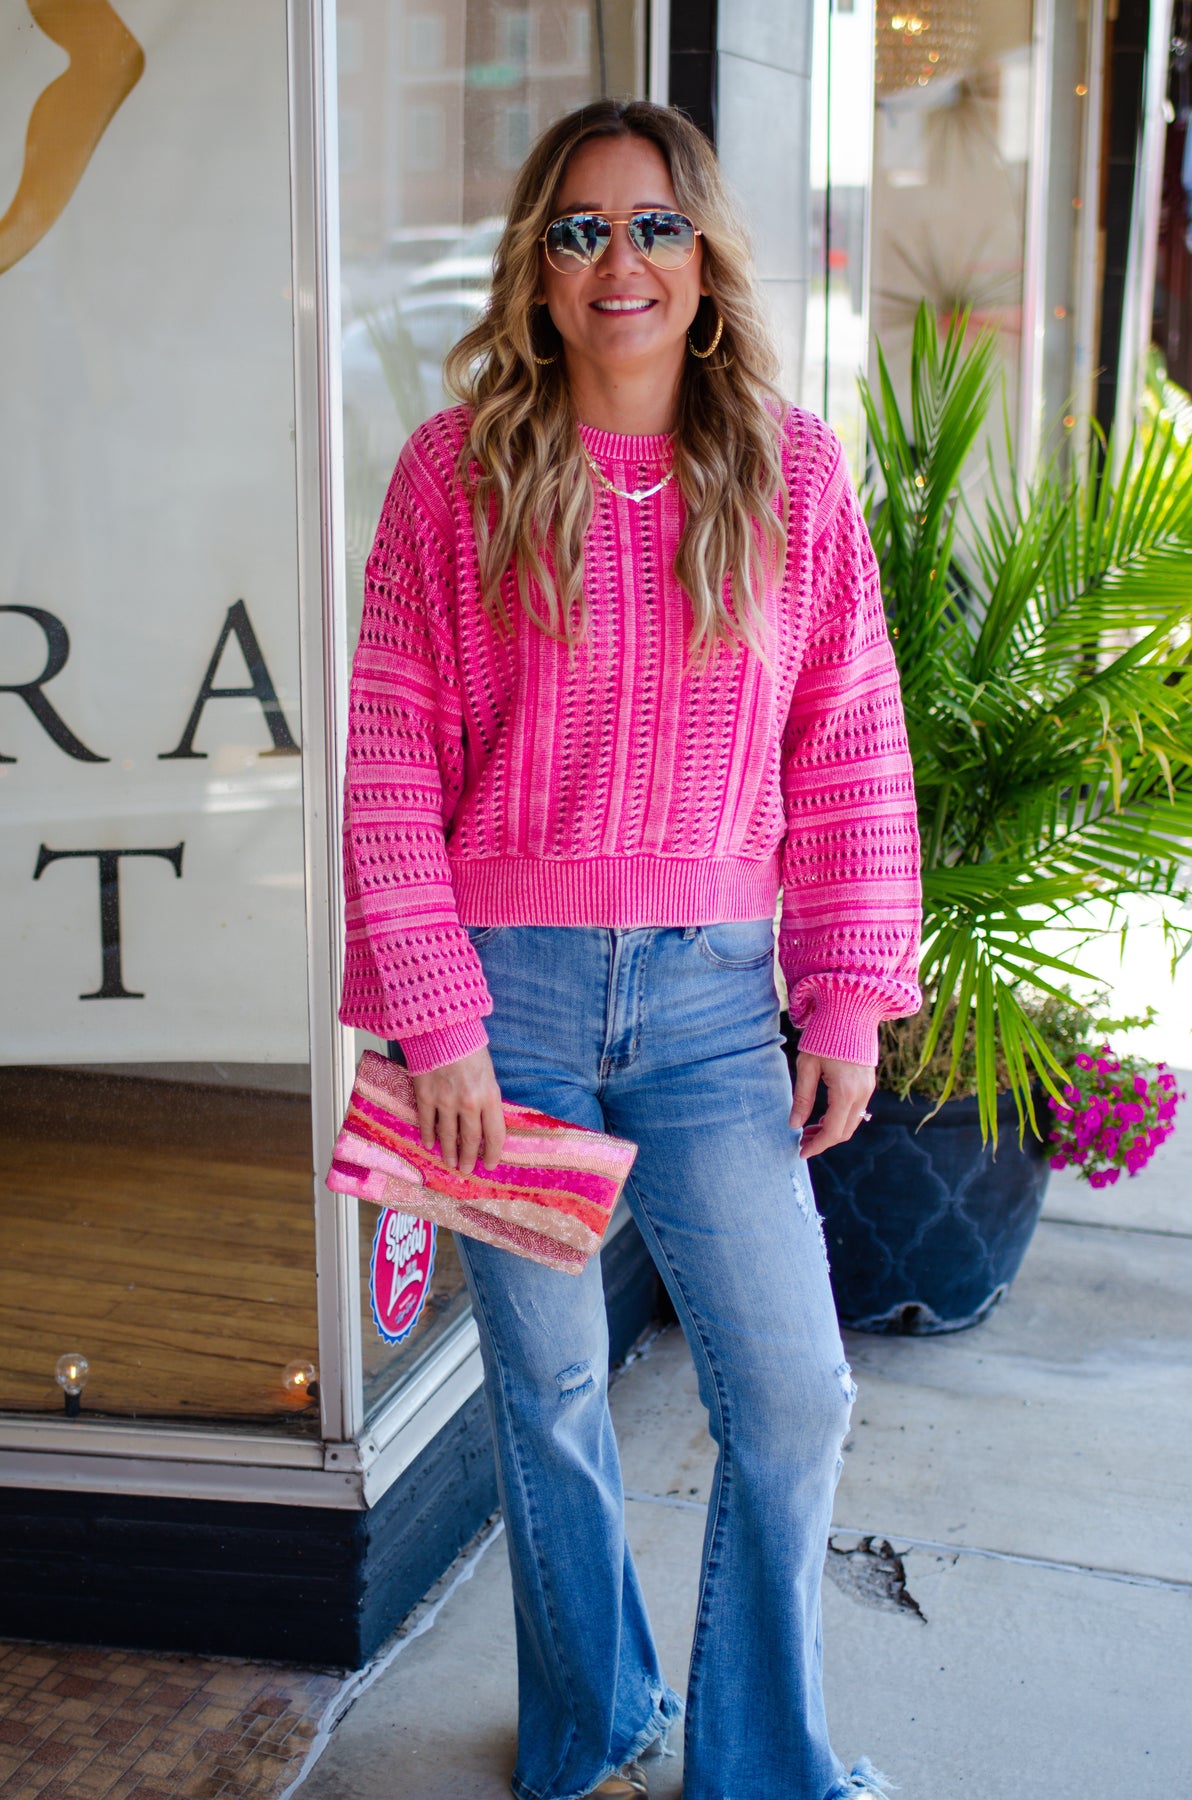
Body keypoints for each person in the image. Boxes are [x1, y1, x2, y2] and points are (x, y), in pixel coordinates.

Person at [340, 99, 921, 1800]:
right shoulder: (453, 476)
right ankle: (593, 1728)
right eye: (581, 229)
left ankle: (761, 1765)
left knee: (794, 1393)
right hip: (504, 1008)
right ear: (537, 267)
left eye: (656, 224)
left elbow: (851, 747)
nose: (622, 260)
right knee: (549, 1389)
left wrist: (846, 998)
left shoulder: (793, 475)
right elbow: (389, 756)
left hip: (712, 1010)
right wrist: (435, 1020)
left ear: (708, 258)